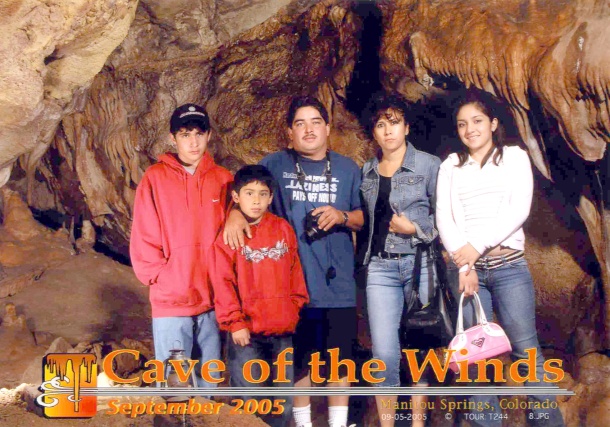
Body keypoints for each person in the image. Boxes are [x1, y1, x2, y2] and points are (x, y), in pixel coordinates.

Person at [223, 96, 364, 427]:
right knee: (300, 364)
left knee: (338, 363)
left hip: (338, 285)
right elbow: (247, 191)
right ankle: (302, 425)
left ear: (328, 128)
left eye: (315, 121)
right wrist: (232, 215)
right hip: (294, 289)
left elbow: (364, 218)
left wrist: (341, 215)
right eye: (299, 123)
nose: (308, 129)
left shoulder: (348, 168)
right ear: (289, 132)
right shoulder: (275, 164)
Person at [435, 91, 565, 426]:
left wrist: (475, 250)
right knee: (476, 359)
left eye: (477, 121)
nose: (470, 129)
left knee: (527, 355)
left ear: (493, 123)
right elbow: (444, 219)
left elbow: (517, 210)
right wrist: (465, 265)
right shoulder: (451, 165)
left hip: (509, 269)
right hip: (466, 274)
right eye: (462, 124)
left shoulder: (514, 157)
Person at [130, 103, 232, 387]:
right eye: (185, 134)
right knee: (174, 384)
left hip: (212, 298)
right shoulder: (155, 178)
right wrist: (162, 277)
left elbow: (231, 234)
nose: (193, 141)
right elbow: (143, 232)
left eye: (199, 133)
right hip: (171, 299)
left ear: (209, 135)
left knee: (208, 382)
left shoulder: (223, 179)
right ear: (173, 138)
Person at [360, 93, 441, 427]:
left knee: (420, 350)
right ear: (374, 133)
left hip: (420, 264)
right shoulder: (367, 170)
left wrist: (417, 229)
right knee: (384, 355)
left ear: (406, 127)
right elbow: (365, 220)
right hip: (379, 267)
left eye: (394, 123)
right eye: (381, 124)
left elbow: (448, 220)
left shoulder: (430, 165)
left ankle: (418, 424)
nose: (388, 131)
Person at [210, 164, 309, 426]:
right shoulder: (229, 234)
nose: (256, 200)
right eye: (250, 193)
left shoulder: (283, 229)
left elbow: (295, 273)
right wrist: (235, 322)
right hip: (246, 334)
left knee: (282, 402)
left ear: (271, 197)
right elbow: (223, 282)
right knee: (249, 401)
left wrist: (293, 309)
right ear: (235, 197)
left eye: (263, 194)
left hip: (282, 331)